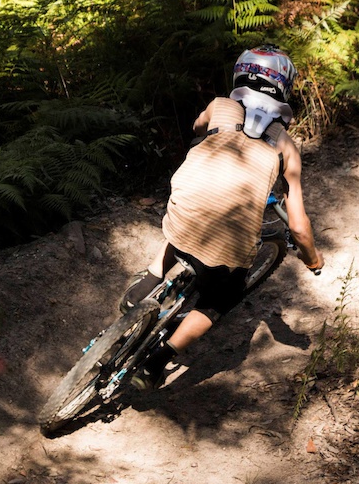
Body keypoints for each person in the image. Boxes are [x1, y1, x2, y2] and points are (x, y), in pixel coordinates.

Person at [120, 44, 325, 391]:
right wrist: (313, 260)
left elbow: (197, 127)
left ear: (241, 75)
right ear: (284, 89)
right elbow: (299, 229)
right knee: (222, 297)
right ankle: (157, 361)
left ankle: (148, 281)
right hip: (227, 245)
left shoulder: (220, 106)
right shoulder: (286, 147)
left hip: (184, 210)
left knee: (187, 216)